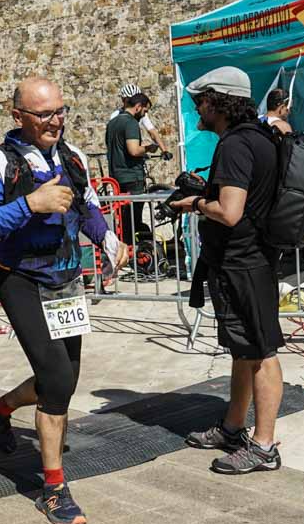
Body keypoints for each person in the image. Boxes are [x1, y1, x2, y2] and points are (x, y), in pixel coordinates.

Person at [0, 77, 125, 524]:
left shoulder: (72, 157)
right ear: (18, 117)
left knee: (64, 381)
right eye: (44, 114)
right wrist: (31, 204)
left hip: (66, 280)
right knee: (56, 379)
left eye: (60, 111)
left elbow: (86, 207)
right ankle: (53, 489)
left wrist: (108, 239)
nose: (55, 121)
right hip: (21, 280)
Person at [169, 66, 284, 475]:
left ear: (218, 101)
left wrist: (194, 204)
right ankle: (233, 428)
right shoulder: (259, 137)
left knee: (262, 353)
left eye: (201, 101)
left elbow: (230, 212)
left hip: (244, 263)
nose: (197, 108)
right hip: (247, 260)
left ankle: (264, 446)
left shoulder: (236, 145)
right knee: (244, 350)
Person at [105, 92, 158, 243]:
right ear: (138, 107)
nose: (144, 114)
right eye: (145, 111)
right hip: (132, 177)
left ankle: (125, 247)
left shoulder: (112, 123)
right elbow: (134, 150)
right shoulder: (131, 123)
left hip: (116, 177)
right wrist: (148, 148)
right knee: (134, 220)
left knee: (123, 220)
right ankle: (134, 249)